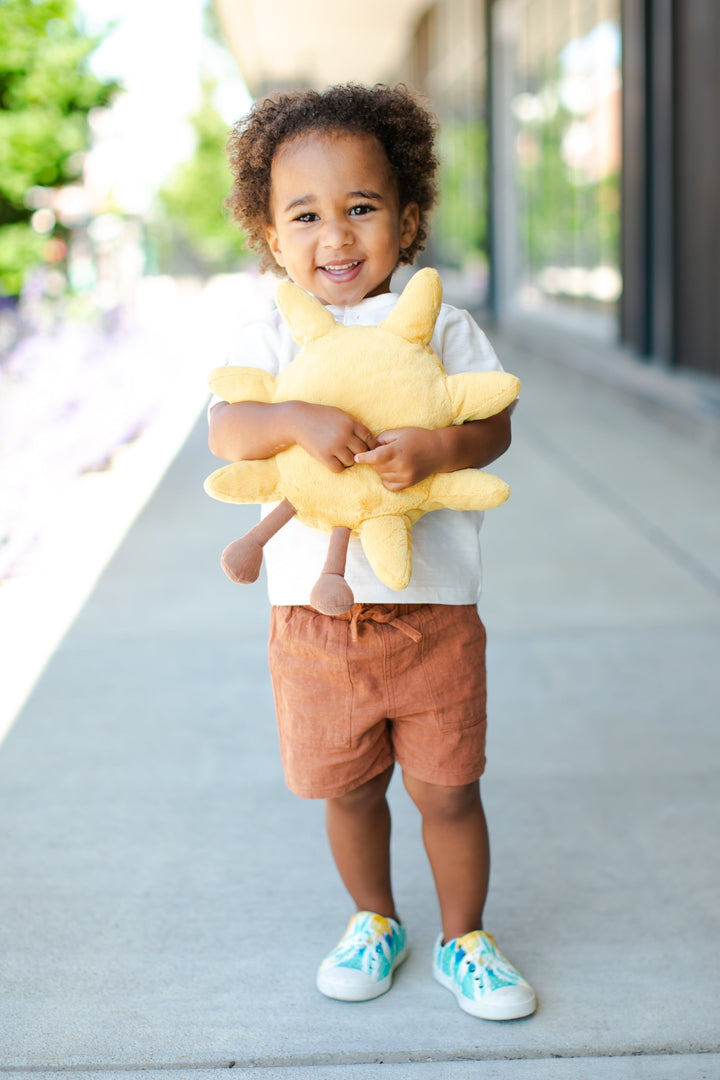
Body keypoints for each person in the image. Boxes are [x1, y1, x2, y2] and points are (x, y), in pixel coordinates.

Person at [209, 83, 536, 1021]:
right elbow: (228, 430)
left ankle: (464, 937)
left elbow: (494, 423)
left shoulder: (440, 325)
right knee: (348, 792)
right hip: (315, 621)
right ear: (273, 237)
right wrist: (293, 418)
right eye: (305, 215)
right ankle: (373, 918)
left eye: (361, 209)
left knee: (448, 789)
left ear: (408, 218)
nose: (336, 237)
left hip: (434, 612)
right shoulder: (269, 330)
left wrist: (444, 447)